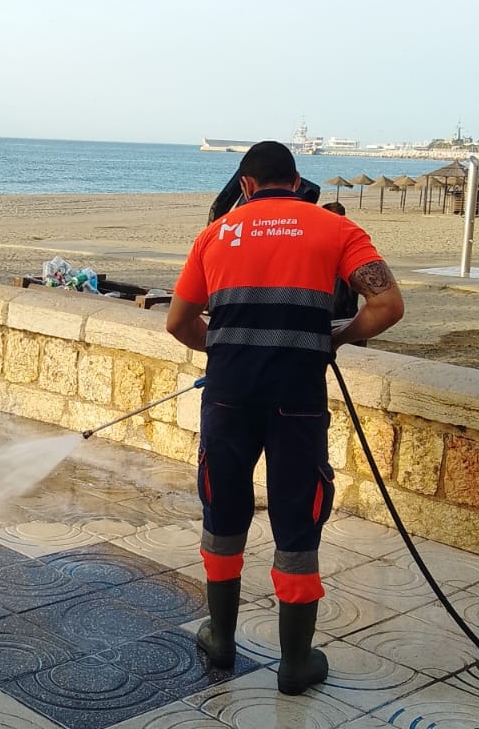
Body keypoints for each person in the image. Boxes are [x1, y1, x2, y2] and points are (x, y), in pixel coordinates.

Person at [166, 141, 404, 694]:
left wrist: (226, 350)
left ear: (246, 185)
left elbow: (178, 322)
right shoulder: (336, 229)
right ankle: (295, 663)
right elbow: (387, 306)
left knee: (223, 507)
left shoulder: (215, 234)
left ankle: (220, 639)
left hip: (228, 396)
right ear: (297, 182)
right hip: (298, 399)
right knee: (298, 517)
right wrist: (337, 337)